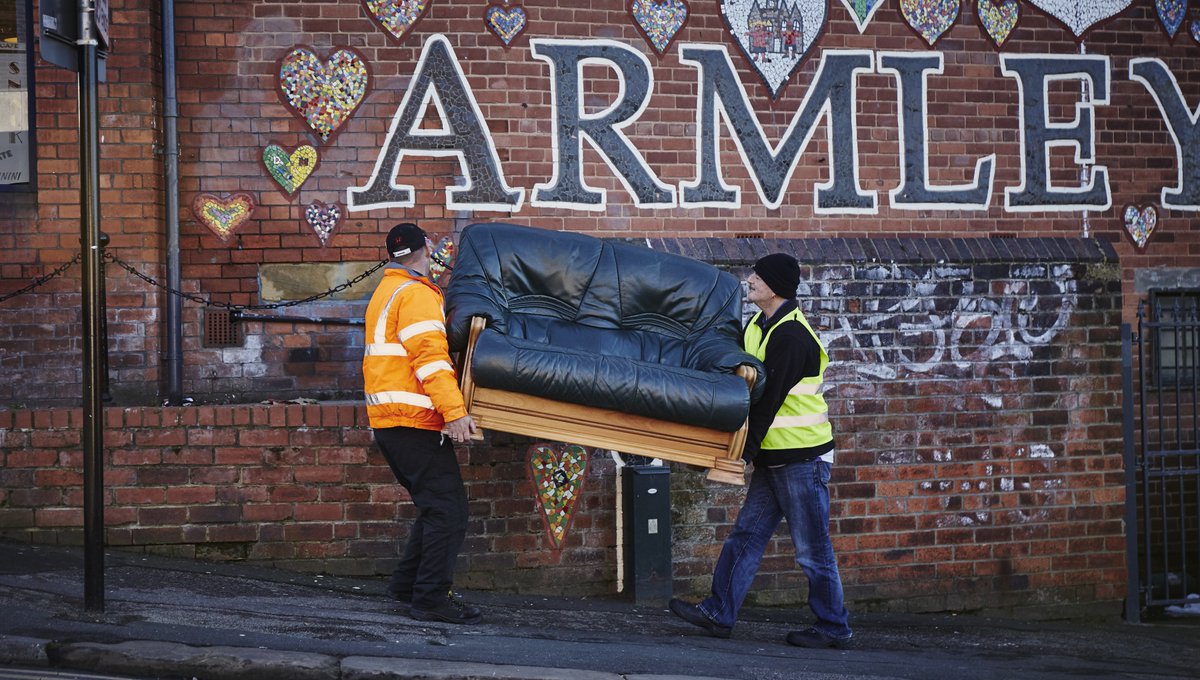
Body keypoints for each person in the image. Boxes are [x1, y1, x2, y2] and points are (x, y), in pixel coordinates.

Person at [669, 253, 853, 649]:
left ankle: (833, 627)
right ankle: (719, 612)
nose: (749, 280)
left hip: (803, 460)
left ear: (774, 287)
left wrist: (741, 454)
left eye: (757, 275)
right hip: (778, 457)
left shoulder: (791, 337)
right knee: (746, 537)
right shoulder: (759, 324)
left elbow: (767, 403)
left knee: (811, 550)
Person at [362, 222, 480, 625]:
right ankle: (430, 599)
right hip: (412, 421)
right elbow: (430, 360)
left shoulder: (387, 290)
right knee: (449, 511)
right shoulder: (415, 295)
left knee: (436, 507)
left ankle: (406, 587)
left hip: (393, 422)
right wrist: (456, 413)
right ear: (427, 248)